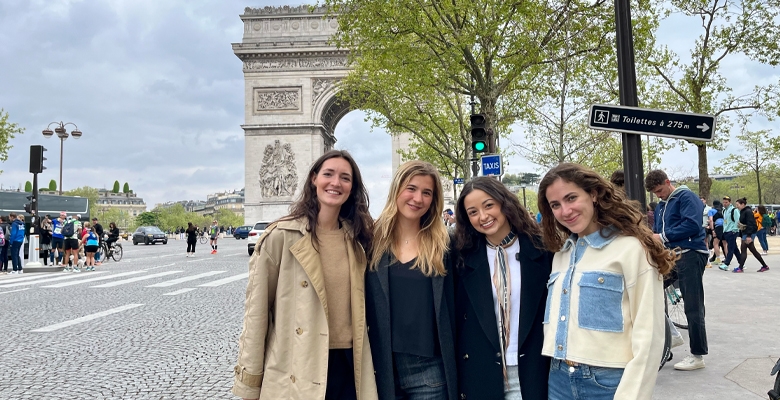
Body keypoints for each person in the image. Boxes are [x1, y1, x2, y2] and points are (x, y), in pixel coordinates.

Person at [232, 150, 378, 400]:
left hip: (349, 366)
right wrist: (250, 385)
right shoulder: (279, 237)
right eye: (328, 174)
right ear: (314, 179)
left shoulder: (360, 240)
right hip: (298, 365)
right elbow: (256, 315)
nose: (335, 183)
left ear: (352, 188)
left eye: (345, 178)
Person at [539, 163, 673, 399]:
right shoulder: (561, 255)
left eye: (571, 198)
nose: (565, 211)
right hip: (558, 380)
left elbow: (649, 336)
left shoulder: (631, 249)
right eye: (555, 205)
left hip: (608, 383)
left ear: (593, 194)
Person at [454, 176, 552, 400]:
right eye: (473, 212)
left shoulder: (542, 249)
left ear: (504, 202)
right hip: (483, 373)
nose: (483, 216)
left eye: (488, 205)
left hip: (533, 369)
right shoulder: (461, 258)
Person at [365, 161, 457, 400]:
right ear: (396, 190)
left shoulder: (445, 246)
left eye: (427, 193)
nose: (418, 198)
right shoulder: (370, 242)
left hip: (429, 371)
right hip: (380, 367)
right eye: (411, 188)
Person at [645, 169, 709, 371]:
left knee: (693, 304)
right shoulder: (662, 206)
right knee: (648, 292)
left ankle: (698, 355)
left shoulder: (686, 196)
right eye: (655, 193)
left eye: (660, 190)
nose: (659, 195)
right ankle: (672, 334)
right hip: (671, 256)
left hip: (690, 254)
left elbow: (692, 225)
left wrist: (662, 237)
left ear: (667, 181)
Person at [733, 198, 770, 273]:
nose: (737, 206)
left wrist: (749, 236)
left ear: (743, 204)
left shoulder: (748, 212)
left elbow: (750, 223)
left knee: (744, 249)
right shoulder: (743, 211)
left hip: (749, 233)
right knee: (752, 250)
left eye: (738, 205)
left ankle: (741, 267)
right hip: (745, 232)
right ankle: (764, 266)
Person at [719, 196, 741, 271]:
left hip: (732, 231)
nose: (725, 204)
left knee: (730, 248)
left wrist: (735, 229)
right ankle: (741, 262)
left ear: (730, 202)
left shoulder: (734, 210)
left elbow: (737, 220)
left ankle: (726, 263)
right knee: (734, 248)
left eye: (726, 202)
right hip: (726, 231)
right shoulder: (724, 211)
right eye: (724, 202)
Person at [708, 200, 726, 265]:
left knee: (715, 243)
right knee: (725, 244)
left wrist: (712, 230)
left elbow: (711, 220)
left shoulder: (712, 211)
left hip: (718, 227)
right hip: (725, 226)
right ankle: (727, 258)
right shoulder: (723, 210)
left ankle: (718, 258)